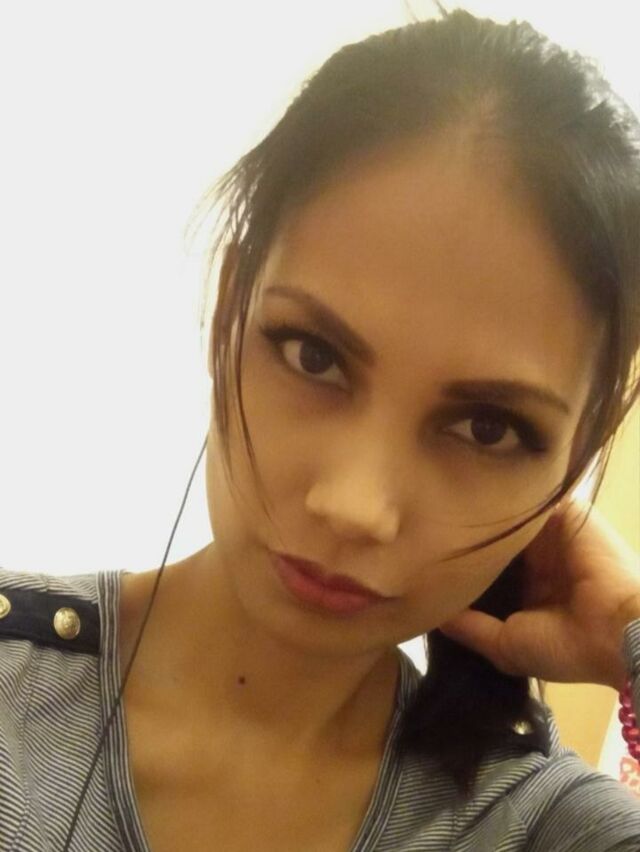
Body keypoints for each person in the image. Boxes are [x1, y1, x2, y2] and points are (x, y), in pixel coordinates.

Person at [1, 5, 640, 850]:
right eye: (313, 355)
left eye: (489, 428)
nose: (354, 506)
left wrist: (630, 629)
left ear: (575, 459)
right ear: (231, 308)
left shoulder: (539, 827)